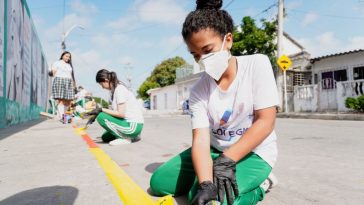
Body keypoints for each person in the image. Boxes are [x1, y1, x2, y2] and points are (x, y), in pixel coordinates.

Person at [150, 1, 279, 205]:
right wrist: (206, 184)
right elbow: (201, 140)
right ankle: (213, 180)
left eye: (208, 50)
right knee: (159, 183)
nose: (202, 59)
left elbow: (265, 122)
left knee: (219, 201)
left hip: (253, 152)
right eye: (195, 55)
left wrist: (227, 161)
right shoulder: (198, 90)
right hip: (215, 150)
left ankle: (262, 185)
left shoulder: (257, 64)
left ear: (228, 40)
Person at [86, 69, 144, 146]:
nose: (102, 87)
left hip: (133, 126)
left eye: (101, 84)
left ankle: (126, 138)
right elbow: (114, 112)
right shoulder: (113, 91)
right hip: (127, 124)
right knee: (105, 137)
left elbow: (121, 114)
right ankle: (134, 136)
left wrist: (101, 110)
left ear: (106, 80)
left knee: (101, 117)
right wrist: (96, 113)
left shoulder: (119, 89)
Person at [51, 51, 77, 121]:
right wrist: (51, 73)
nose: (68, 58)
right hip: (60, 80)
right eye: (66, 56)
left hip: (68, 82)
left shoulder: (69, 65)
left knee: (68, 100)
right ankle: (63, 117)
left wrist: (74, 84)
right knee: (61, 100)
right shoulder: (57, 63)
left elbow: (71, 75)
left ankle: (64, 116)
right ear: (62, 56)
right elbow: (53, 72)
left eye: (69, 57)